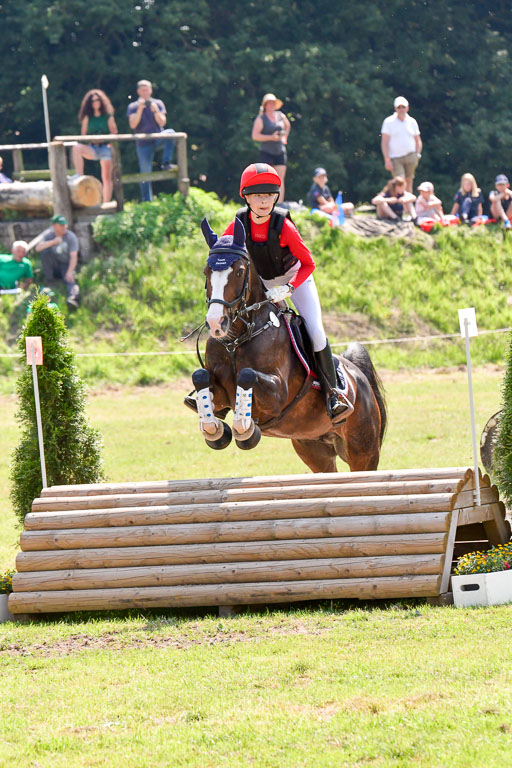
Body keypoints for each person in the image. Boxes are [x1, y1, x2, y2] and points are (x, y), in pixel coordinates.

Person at [223, 163, 350, 423]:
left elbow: (309, 263)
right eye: (257, 196)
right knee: (236, 328)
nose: (263, 201)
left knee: (315, 330)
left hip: (296, 280)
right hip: (263, 284)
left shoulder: (284, 226)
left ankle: (332, 394)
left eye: (269, 195)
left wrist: (289, 288)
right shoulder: (239, 223)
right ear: (245, 197)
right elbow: (224, 248)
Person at [127, 79, 175, 202]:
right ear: (138, 91)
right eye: (142, 90)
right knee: (145, 174)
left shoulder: (158, 103)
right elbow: (133, 125)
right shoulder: (133, 106)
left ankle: (166, 163)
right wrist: (139, 110)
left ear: (151, 90)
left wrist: (156, 111)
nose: (145, 92)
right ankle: (146, 202)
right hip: (143, 143)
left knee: (171, 133)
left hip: (158, 138)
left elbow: (162, 122)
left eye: (147, 89)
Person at [72, 89, 118, 203]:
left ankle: (106, 203)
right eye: (92, 101)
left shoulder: (108, 116)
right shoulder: (87, 117)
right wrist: (92, 139)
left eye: (97, 100)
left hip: (105, 147)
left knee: (107, 177)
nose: (95, 103)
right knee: (76, 147)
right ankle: (79, 175)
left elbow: (114, 133)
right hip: (92, 147)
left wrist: (105, 140)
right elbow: (83, 135)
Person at [35, 215, 80, 308]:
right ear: (54, 226)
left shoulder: (71, 237)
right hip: (53, 265)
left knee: (71, 280)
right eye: (61, 225)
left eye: (65, 225)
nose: (64, 227)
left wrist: (70, 271)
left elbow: (74, 257)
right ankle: (50, 281)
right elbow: (37, 248)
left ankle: (73, 298)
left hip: (66, 265)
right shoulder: (49, 235)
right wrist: (52, 242)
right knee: (45, 252)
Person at [251, 93, 290, 202]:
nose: (271, 105)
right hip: (267, 151)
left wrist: (284, 136)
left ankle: (280, 204)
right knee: (267, 179)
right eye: (269, 103)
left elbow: (287, 125)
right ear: (265, 105)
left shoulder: (280, 115)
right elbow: (255, 136)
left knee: (280, 179)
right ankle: (266, 202)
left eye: (273, 103)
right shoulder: (261, 118)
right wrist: (271, 137)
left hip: (279, 150)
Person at [380, 97, 422, 193]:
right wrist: (387, 159)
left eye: (403, 107)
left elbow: (418, 140)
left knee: (409, 181)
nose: (401, 109)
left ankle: (408, 205)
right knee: (400, 181)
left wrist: (417, 155)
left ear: (407, 108)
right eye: (399, 107)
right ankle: (400, 204)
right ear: (395, 108)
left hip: (411, 155)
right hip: (395, 157)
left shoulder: (412, 121)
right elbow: (384, 142)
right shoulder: (388, 122)